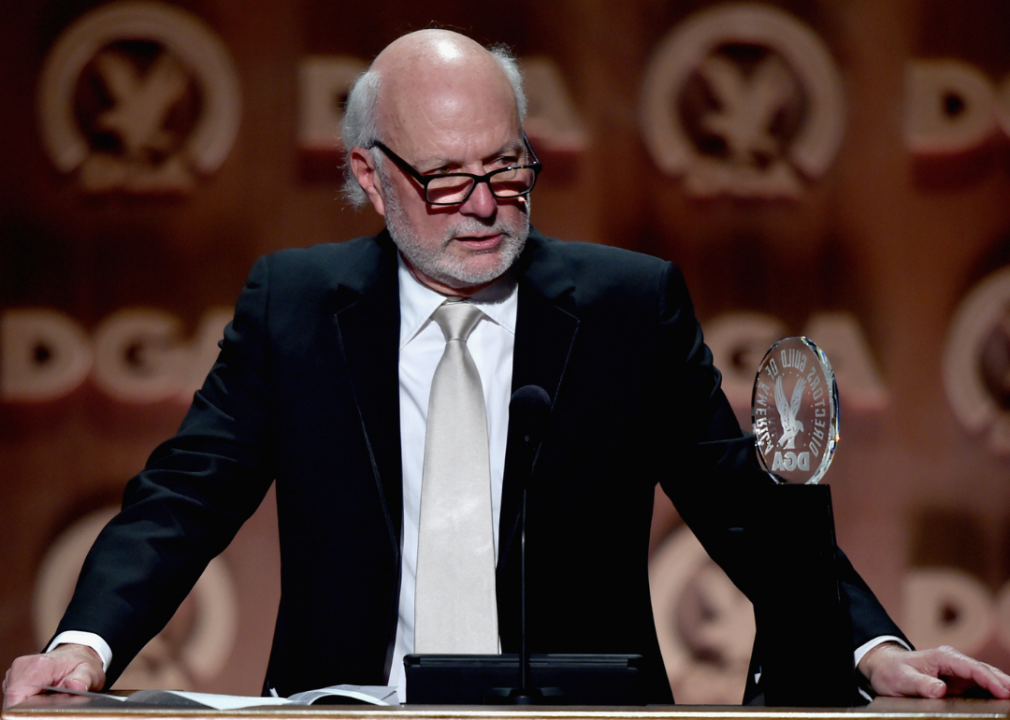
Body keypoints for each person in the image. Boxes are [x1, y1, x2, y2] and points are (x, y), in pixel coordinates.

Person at [4, 29, 1010, 710]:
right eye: (445, 178)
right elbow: (186, 494)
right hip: (347, 718)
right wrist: (82, 647)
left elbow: (744, 505)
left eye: (506, 168)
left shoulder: (625, 305)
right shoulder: (296, 307)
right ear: (368, 173)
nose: (483, 204)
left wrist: (870, 648)